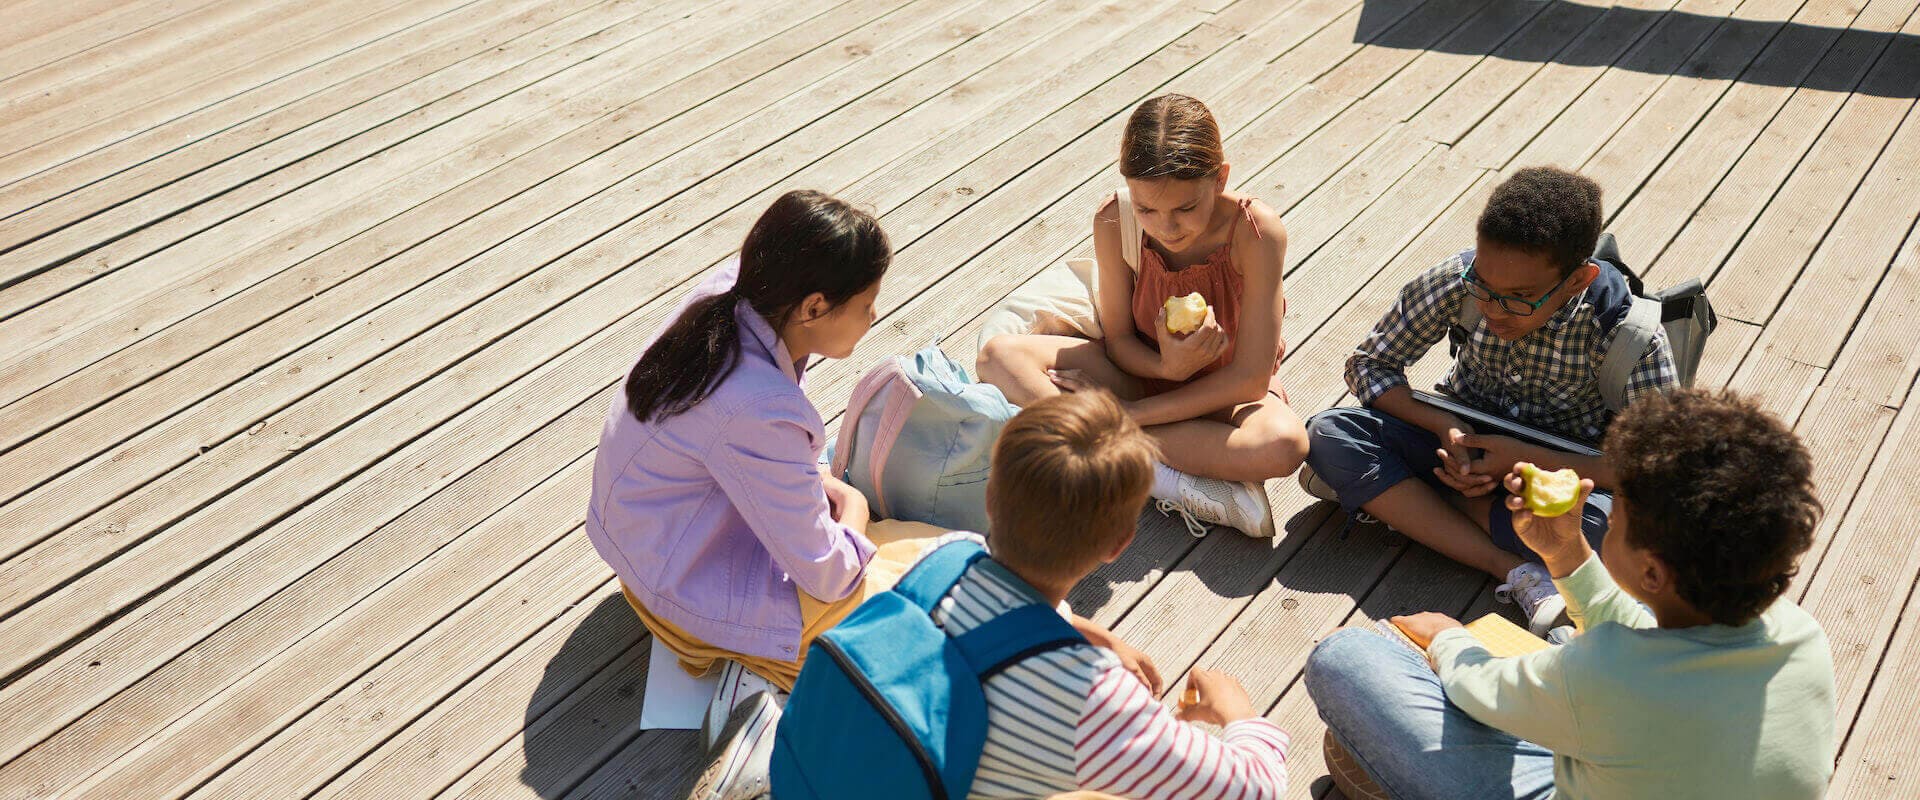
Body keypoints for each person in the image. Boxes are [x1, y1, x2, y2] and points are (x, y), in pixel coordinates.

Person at [705, 391, 1291, 799]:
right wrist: (1238, 712)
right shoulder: (1094, 702)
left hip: (822, 770)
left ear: (991, 499)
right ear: (1119, 544)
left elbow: (985, 629)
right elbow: (1253, 787)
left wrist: (1082, 631)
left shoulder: (943, 556)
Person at [1304, 389, 1837, 800]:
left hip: (1590, 719)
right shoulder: (1799, 633)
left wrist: (1447, 642)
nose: (1606, 512)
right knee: (1562, 644)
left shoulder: (1609, 674)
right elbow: (1643, 641)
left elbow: (1478, 686)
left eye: (1618, 507)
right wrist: (1567, 556)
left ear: (1652, 571)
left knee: (1346, 657)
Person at [585, 189, 938, 728]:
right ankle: (752, 698)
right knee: (913, 631)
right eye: (866, 304)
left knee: (919, 568)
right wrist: (857, 510)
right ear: (814, 307)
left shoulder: (729, 293)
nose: (874, 315)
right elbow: (828, 574)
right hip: (681, 592)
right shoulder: (758, 406)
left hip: (645, 549)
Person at [1300, 166, 1679, 633]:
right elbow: (1368, 365)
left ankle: (1403, 502)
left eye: (1520, 298)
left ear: (1579, 280)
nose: (1493, 310)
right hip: (1454, 445)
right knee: (1331, 432)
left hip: (1561, 482)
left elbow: (1655, 469)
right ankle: (1510, 566)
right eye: (1484, 287)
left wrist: (1525, 461)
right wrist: (1441, 426)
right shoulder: (1460, 280)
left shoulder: (1630, 335)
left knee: (1621, 536)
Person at [977, 94, 1306, 538]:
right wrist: (1165, 367)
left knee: (1284, 445)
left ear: (1220, 177)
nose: (1166, 228)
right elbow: (1118, 342)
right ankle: (1161, 476)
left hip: (1226, 396)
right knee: (999, 356)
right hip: (1142, 377)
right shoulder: (1116, 220)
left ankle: (1106, 442)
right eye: (1147, 208)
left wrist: (1128, 415)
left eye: (1185, 208)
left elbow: (1249, 378)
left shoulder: (1256, 233)